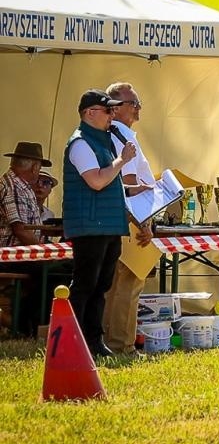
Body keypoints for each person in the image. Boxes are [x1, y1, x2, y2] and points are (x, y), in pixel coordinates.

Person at [62, 90, 139, 357]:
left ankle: (94, 342)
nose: (112, 115)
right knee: (85, 285)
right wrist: (122, 161)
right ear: (90, 113)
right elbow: (96, 180)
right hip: (89, 225)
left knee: (101, 285)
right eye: (108, 111)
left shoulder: (102, 142)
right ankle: (73, 340)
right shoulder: (81, 143)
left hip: (106, 225)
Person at [103, 82, 159, 354]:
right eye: (133, 104)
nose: (138, 109)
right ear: (115, 108)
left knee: (115, 285)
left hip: (123, 216)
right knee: (129, 283)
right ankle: (122, 345)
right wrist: (144, 223)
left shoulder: (113, 134)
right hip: (133, 217)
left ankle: (109, 341)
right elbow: (130, 185)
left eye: (138, 103)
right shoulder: (122, 137)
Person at [1, 140, 51, 338]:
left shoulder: (22, 186)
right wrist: (45, 251)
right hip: (9, 255)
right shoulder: (11, 185)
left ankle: (31, 324)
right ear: (34, 166)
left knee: (61, 267)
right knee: (49, 270)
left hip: (24, 254)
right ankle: (26, 324)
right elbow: (20, 229)